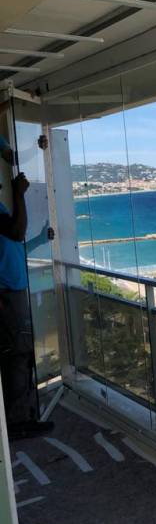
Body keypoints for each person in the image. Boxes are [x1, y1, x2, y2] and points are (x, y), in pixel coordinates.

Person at [0, 132, 53, 440]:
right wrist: (20, 193)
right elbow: (18, 234)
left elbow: (18, 249)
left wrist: (40, 238)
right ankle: (18, 421)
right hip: (8, 296)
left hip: (13, 293)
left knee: (20, 353)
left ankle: (20, 416)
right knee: (17, 355)